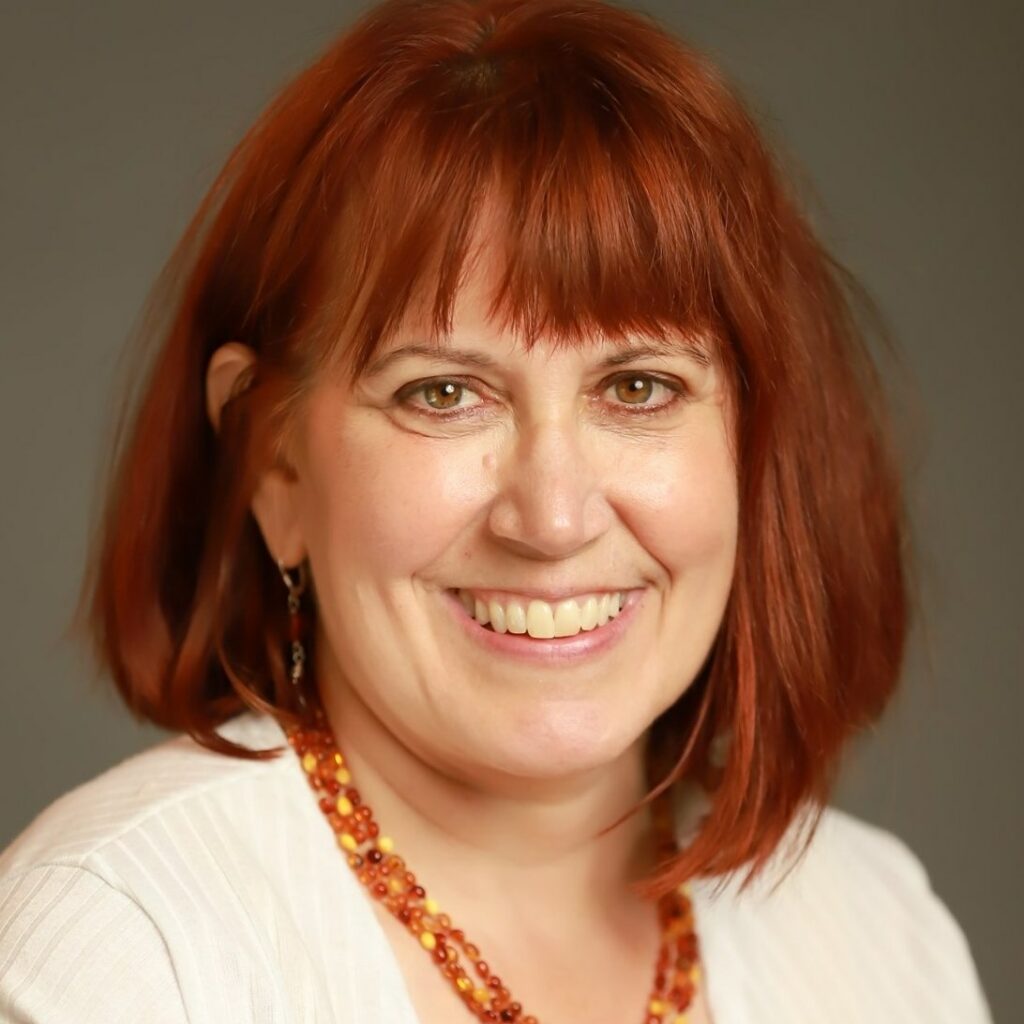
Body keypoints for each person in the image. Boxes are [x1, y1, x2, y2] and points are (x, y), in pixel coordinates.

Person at [0, 0, 993, 1021]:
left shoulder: (880, 935)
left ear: (755, 445)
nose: (553, 517)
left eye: (638, 387)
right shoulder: (122, 947)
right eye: (442, 393)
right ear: (274, 465)